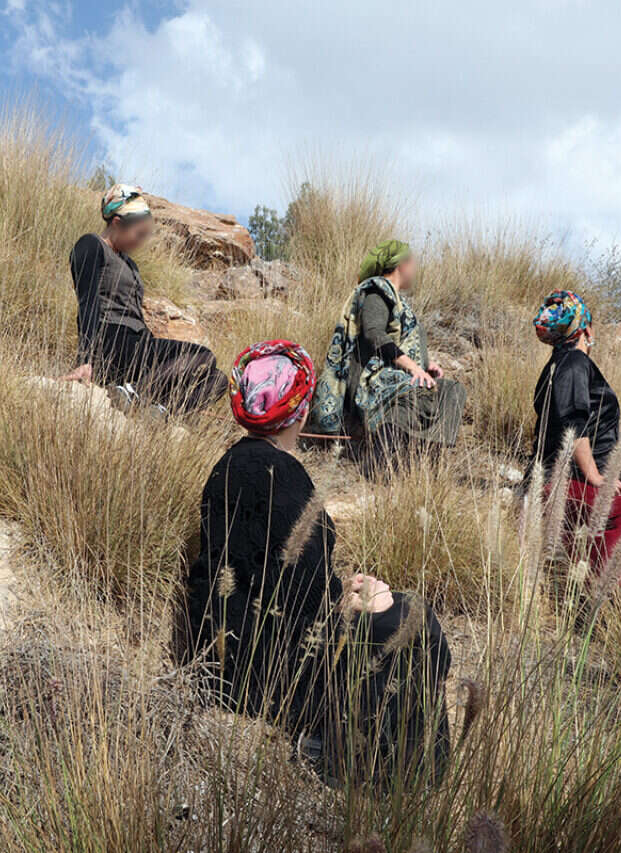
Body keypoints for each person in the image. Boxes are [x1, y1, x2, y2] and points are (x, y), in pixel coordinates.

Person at [179, 339, 451, 785]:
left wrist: (343, 589)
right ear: (301, 412)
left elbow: (266, 570)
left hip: (224, 650)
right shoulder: (284, 475)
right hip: (273, 666)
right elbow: (299, 592)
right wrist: (354, 600)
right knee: (413, 619)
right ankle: (391, 767)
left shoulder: (226, 465)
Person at [531, 290, 621, 577]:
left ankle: (612, 591)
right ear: (586, 330)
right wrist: (594, 476)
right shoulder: (574, 362)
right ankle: (607, 594)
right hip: (572, 482)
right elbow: (573, 421)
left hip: (563, 484)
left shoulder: (556, 366)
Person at [310, 239, 467, 474]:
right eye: (413, 263)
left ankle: (423, 454)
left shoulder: (397, 300)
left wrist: (426, 364)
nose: (415, 269)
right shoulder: (376, 292)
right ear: (402, 264)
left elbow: (401, 343)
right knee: (413, 393)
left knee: (452, 390)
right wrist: (413, 367)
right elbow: (374, 334)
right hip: (373, 377)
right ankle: (379, 459)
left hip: (394, 374)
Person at [68, 184, 227, 412]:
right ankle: (135, 395)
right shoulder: (91, 245)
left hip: (138, 345)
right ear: (117, 223)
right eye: (138, 234)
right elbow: (88, 302)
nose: (141, 241)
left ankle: (161, 414)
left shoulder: (129, 263)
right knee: (203, 356)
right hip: (112, 342)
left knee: (218, 380)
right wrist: (85, 359)